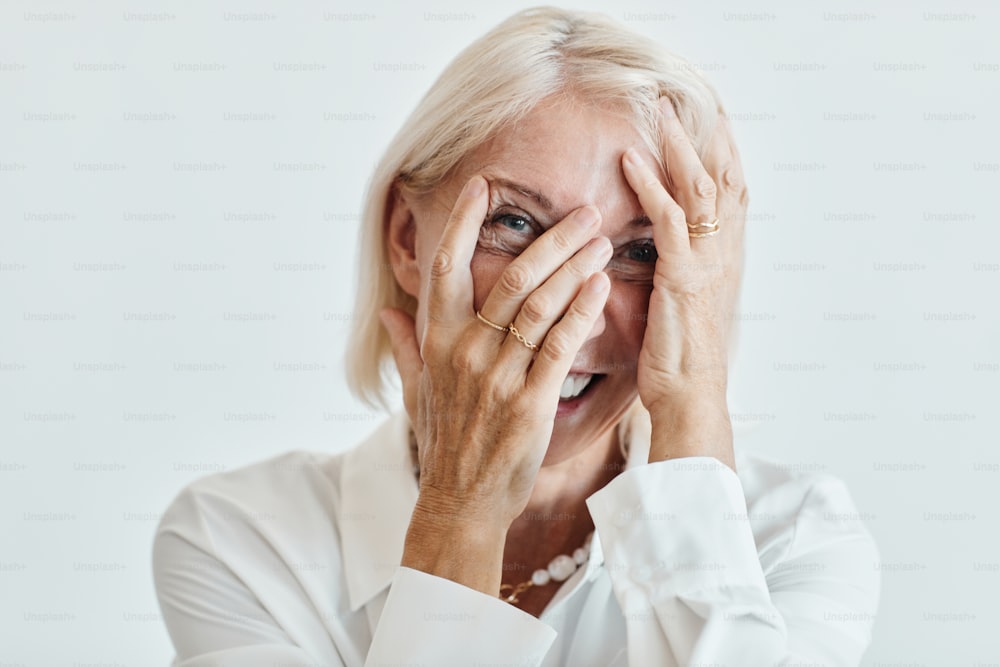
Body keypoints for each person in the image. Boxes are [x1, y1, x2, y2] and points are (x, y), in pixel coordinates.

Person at [153, 7, 880, 666]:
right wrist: (459, 509)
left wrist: (693, 408)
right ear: (407, 238)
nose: (576, 319)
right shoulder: (244, 540)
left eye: (641, 251)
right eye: (516, 225)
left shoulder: (793, 539)